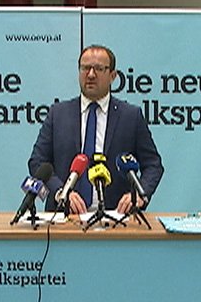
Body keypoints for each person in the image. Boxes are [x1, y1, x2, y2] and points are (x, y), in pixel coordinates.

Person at [28, 45, 164, 216]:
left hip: (116, 217)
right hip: (65, 217)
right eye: (85, 68)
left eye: (99, 69)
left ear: (113, 76)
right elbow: (37, 161)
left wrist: (139, 194)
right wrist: (61, 192)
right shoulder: (58, 114)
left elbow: (153, 164)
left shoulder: (131, 116)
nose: (91, 75)